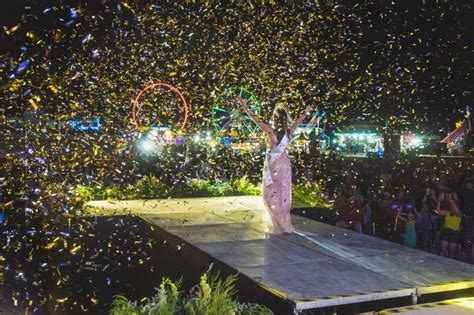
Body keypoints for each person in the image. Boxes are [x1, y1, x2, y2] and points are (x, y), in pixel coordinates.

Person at [239, 97, 311, 234]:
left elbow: (257, 120)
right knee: (283, 192)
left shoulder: (271, 131)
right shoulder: (288, 132)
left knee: (270, 192)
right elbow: (298, 121)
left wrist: (245, 107)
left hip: (274, 163)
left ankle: (277, 222)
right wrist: (306, 112)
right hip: (285, 162)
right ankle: (284, 222)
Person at [437, 192, 463, 258]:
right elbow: (438, 211)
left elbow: (457, 212)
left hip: (454, 232)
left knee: (451, 253)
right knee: (442, 252)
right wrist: (439, 201)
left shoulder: (459, 213)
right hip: (445, 230)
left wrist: (451, 201)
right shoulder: (447, 212)